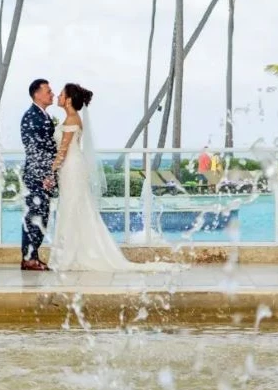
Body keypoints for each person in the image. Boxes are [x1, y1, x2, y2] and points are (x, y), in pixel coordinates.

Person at [48, 83, 181, 272]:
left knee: (72, 207)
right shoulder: (72, 118)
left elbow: (62, 151)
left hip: (71, 167)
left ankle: (71, 254)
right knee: (74, 207)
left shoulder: (71, 120)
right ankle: (75, 252)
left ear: (68, 100)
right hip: (72, 166)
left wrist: (50, 170)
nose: (58, 97)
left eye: (61, 95)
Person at [19, 78, 56, 271]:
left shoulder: (43, 116)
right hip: (36, 177)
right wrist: (45, 176)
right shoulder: (31, 116)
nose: (52, 94)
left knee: (41, 216)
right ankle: (29, 258)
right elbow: (35, 150)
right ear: (37, 94)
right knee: (34, 217)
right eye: (48, 91)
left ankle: (32, 256)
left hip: (41, 176)